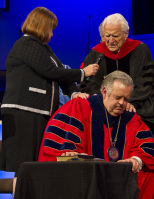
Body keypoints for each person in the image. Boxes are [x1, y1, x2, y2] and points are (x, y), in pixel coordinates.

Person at [0, 7, 99, 175]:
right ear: (42, 26)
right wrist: (83, 72)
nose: (52, 35)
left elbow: (60, 72)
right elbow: (51, 72)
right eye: (51, 29)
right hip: (24, 112)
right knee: (24, 165)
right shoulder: (26, 44)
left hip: (37, 113)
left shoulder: (44, 49)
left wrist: (74, 93)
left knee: (34, 165)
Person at [38, 71, 154, 199]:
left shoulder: (131, 118)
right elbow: (57, 150)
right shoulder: (79, 107)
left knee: (149, 174)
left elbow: (149, 148)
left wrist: (136, 160)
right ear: (104, 92)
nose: (122, 103)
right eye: (118, 97)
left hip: (120, 179)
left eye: (126, 99)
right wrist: (76, 157)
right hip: (87, 175)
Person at [79, 13, 154, 134]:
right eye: (107, 36)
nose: (110, 41)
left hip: (133, 109)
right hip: (103, 113)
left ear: (126, 33)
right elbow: (90, 84)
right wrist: (104, 103)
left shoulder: (140, 50)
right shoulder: (96, 54)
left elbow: (145, 82)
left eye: (115, 36)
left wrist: (128, 103)